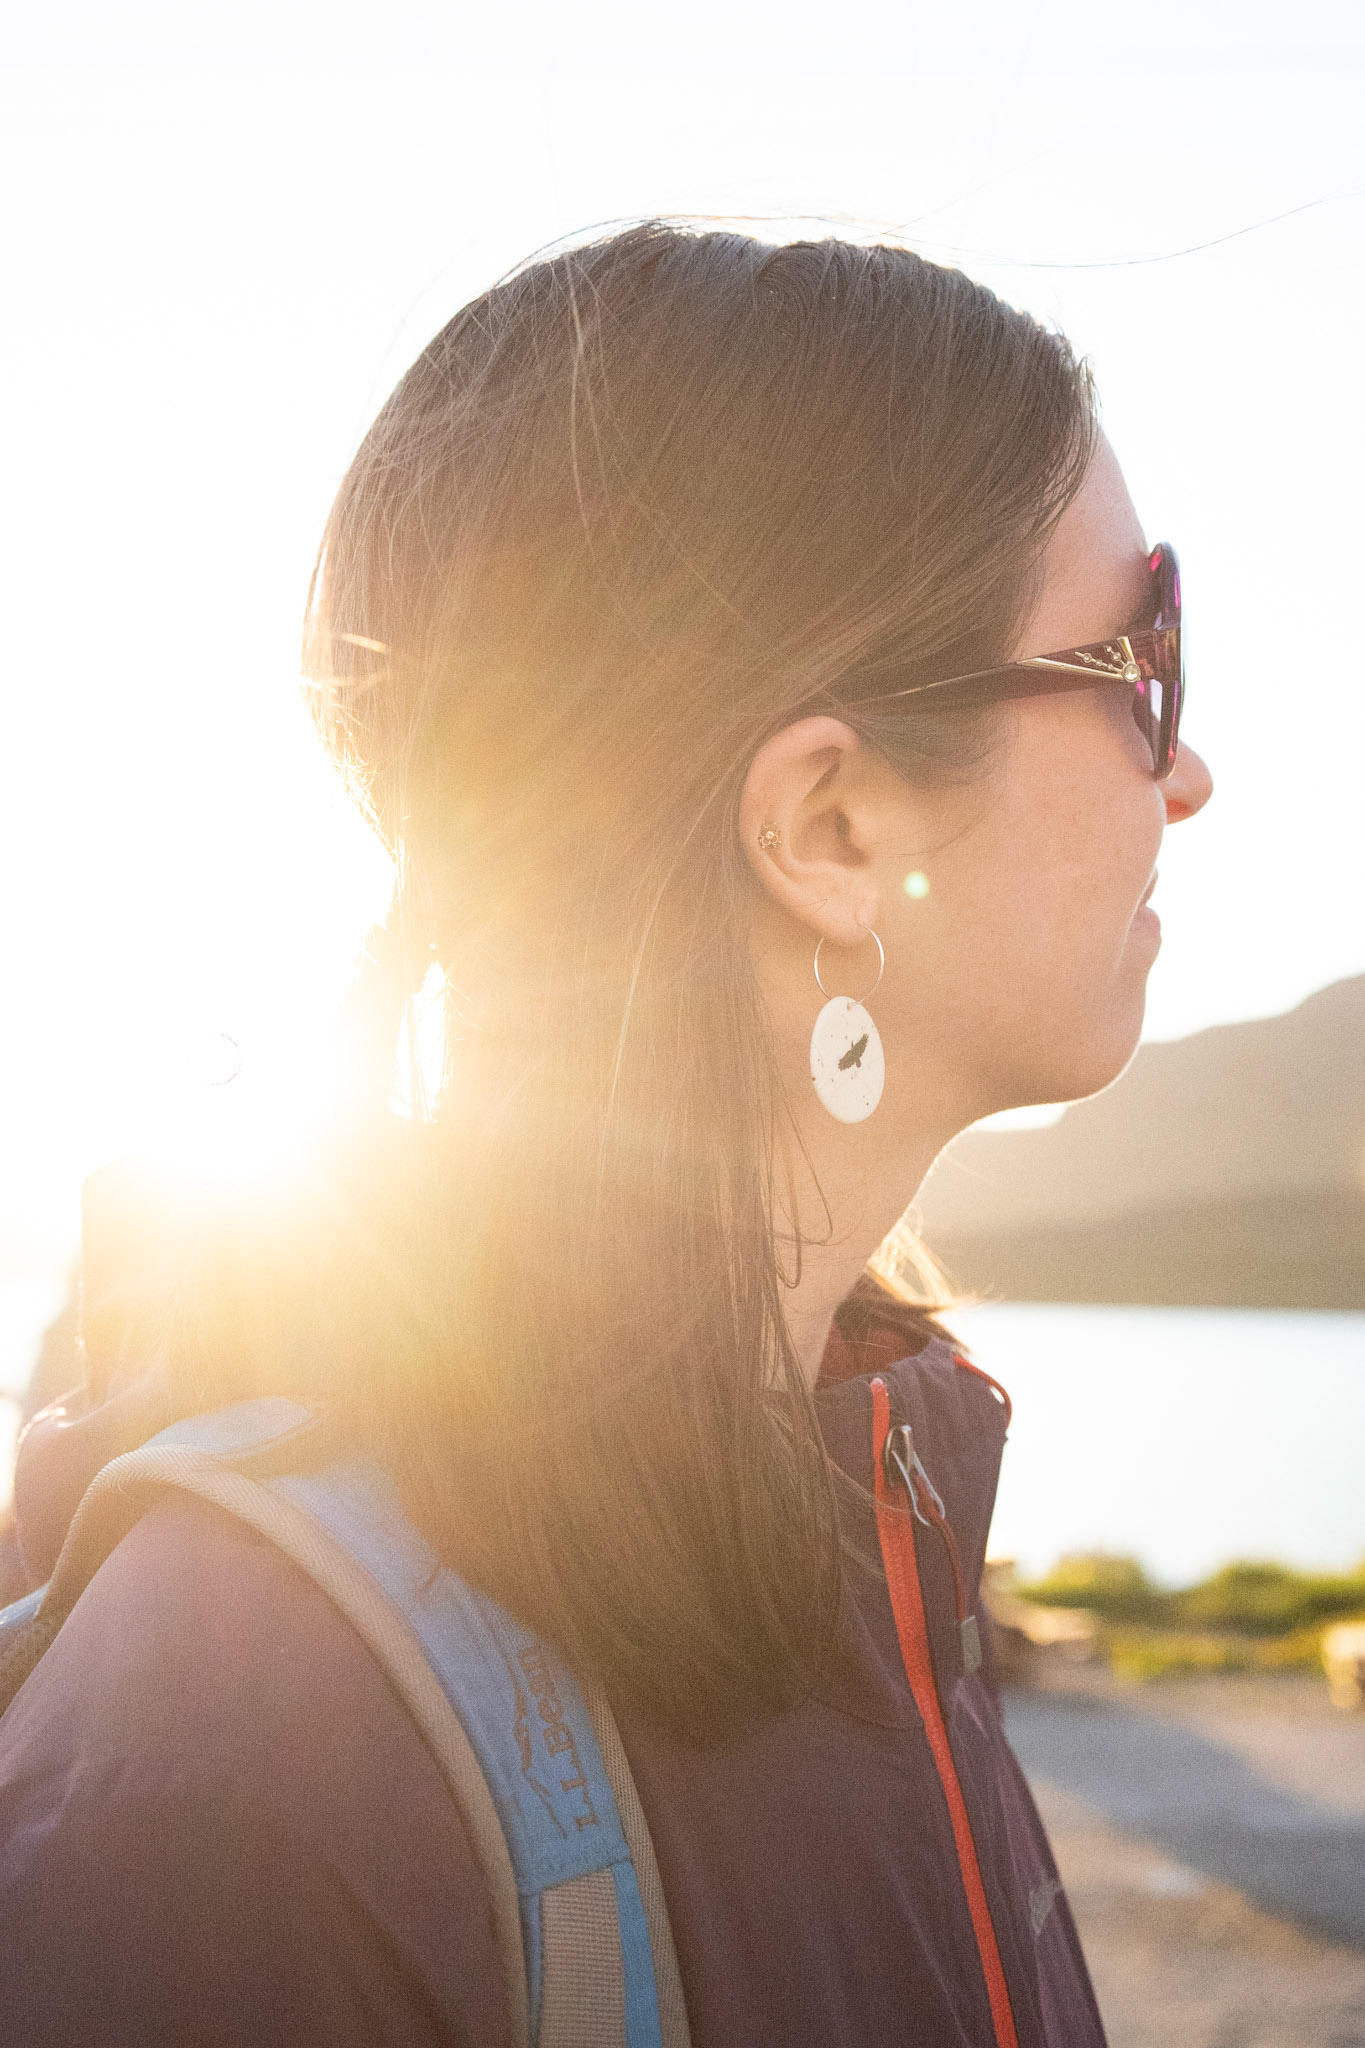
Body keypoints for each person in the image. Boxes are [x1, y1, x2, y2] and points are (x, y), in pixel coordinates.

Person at [0, 221, 1212, 2046]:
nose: (1184, 771)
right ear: (824, 825)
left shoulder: (857, 1501)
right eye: (1141, 663)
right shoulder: (247, 1757)